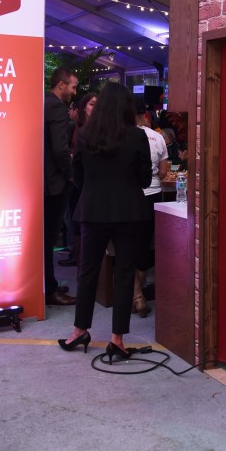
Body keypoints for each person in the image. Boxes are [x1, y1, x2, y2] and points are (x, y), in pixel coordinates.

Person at [58, 83, 151, 360]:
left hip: (93, 212)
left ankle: (79, 330)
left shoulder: (86, 136)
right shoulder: (137, 137)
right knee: (123, 274)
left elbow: (78, 177)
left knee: (87, 272)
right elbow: (145, 179)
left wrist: (95, 192)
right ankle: (117, 339)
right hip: (129, 213)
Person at [44, 67, 78, 306]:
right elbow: (59, 148)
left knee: (45, 239)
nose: (74, 92)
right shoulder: (56, 106)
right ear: (62, 85)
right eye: (73, 86)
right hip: (54, 183)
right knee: (48, 238)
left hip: (43, 181)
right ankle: (50, 290)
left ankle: (49, 285)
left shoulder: (42, 103)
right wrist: (70, 175)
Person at [133, 98, 169, 317]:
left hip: (130, 196)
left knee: (129, 244)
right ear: (145, 114)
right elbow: (164, 173)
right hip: (153, 193)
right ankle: (138, 292)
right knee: (147, 244)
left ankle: (136, 294)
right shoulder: (157, 137)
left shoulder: (122, 136)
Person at [59, 93, 97, 268]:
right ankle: (77, 256)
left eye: (97, 104)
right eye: (91, 104)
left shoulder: (102, 129)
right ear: (83, 107)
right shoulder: (75, 127)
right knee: (75, 219)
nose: (94, 108)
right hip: (78, 181)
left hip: (93, 182)